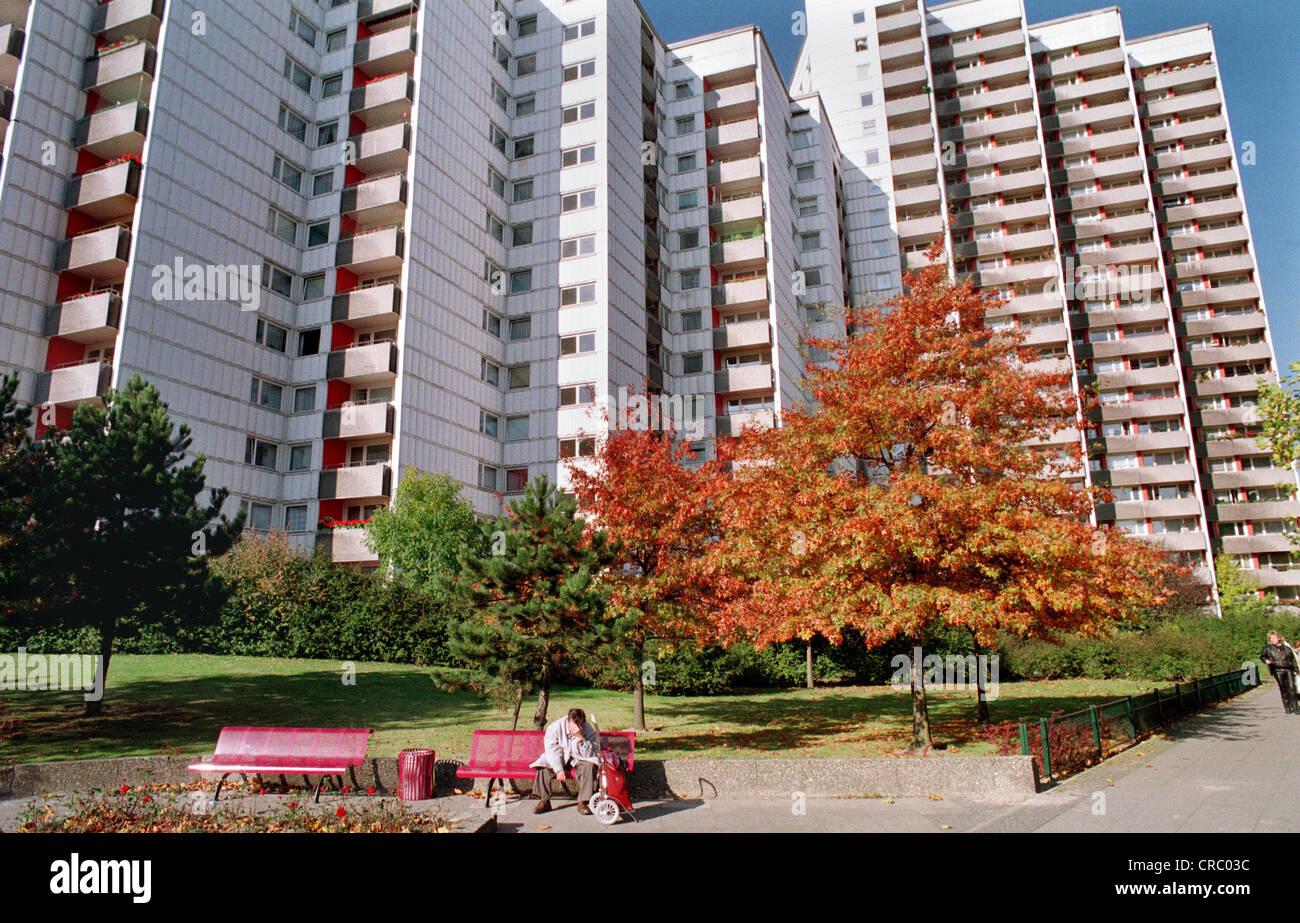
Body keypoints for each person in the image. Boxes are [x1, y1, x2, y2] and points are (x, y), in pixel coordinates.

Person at [530, 707, 600, 814]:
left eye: (581, 725)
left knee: (589, 766)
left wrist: (580, 737)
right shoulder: (554, 728)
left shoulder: (586, 728)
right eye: (576, 725)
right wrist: (559, 769)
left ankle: (583, 801)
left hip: (578, 758)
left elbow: (590, 753)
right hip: (559, 758)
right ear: (568, 721)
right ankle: (544, 800)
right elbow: (552, 751)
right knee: (543, 768)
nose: (579, 727)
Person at [1260, 631, 1298, 715]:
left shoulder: (1286, 648)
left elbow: (1293, 660)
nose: (1273, 640)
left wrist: (1296, 670)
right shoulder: (1268, 648)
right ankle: (1287, 706)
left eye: (1274, 638)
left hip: (1288, 669)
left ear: (1279, 638)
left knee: (1292, 687)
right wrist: (1266, 660)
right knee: (1283, 688)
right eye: (1271, 639)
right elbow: (1262, 656)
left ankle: (1295, 707)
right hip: (1277, 670)